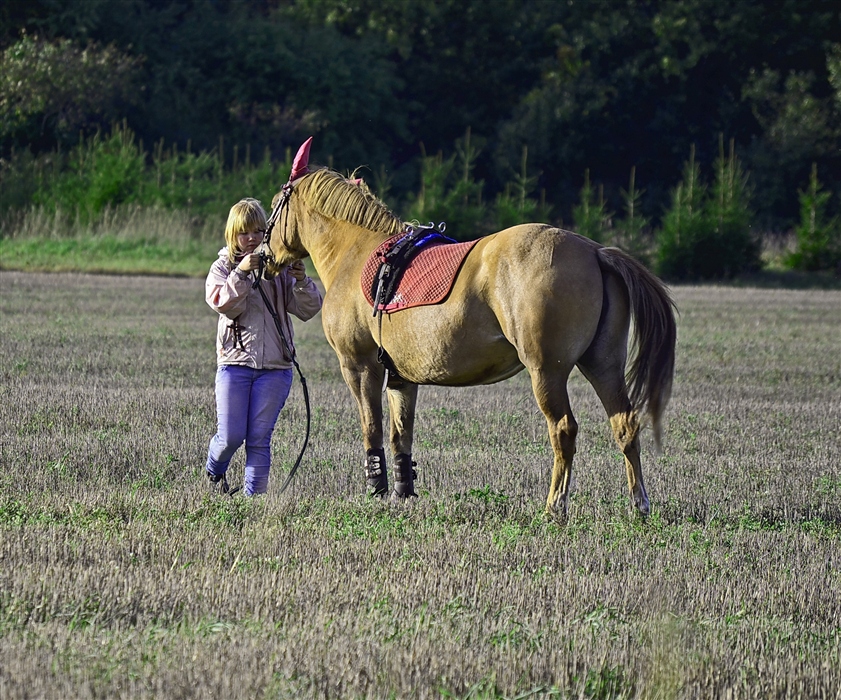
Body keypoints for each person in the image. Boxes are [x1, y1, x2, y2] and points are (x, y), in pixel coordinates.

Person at [204, 197, 322, 496]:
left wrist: (301, 281)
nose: (252, 238)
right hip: (235, 364)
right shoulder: (222, 267)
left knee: (259, 440)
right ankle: (214, 471)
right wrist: (242, 273)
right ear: (233, 235)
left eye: (258, 230)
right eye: (244, 232)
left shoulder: (279, 269)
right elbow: (223, 304)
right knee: (230, 437)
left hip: (276, 367)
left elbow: (308, 309)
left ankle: (253, 501)